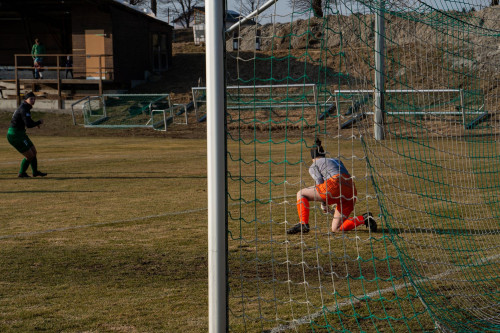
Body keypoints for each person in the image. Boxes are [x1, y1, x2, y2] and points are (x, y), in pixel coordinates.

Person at [287, 138, 376, 234]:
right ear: (323, 154)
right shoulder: (336, 160)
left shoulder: (314, 165)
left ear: (312, 157)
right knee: (336, 228)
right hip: (351, 190)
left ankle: (303, 223)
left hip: (335, 185)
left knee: (301, 193)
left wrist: (323, 203)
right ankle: (364, 218)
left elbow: (320, 183)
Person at [6, 92, 47, 178]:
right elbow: (28, 125)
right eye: (31, 99)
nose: (33, 100)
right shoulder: (23, 109)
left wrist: (35, 123)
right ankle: (22, 173)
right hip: (15, 135)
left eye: (34, 99)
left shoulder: (26, 107)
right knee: (30, 155)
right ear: (26, 100)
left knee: (34, 152)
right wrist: (38, 122)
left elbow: (28, 120)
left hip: (20, 133)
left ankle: (35, 172)